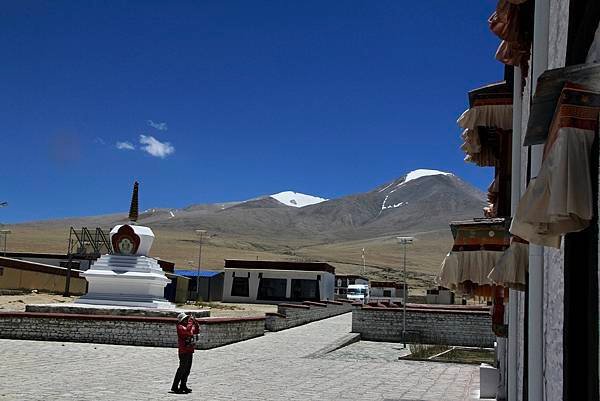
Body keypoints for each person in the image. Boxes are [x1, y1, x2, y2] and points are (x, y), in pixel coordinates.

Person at [171, 312, 199, 394]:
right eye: (186, 319)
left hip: (189, 350)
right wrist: (191, 322)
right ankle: (175, 386)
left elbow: (196, 330)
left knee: (187, 369)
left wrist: (195, 322)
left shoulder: (188, 326)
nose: (187, 320)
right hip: (183, 351)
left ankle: (183, 385)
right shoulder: (180, 327)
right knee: (182, 369)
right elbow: (188, 332)